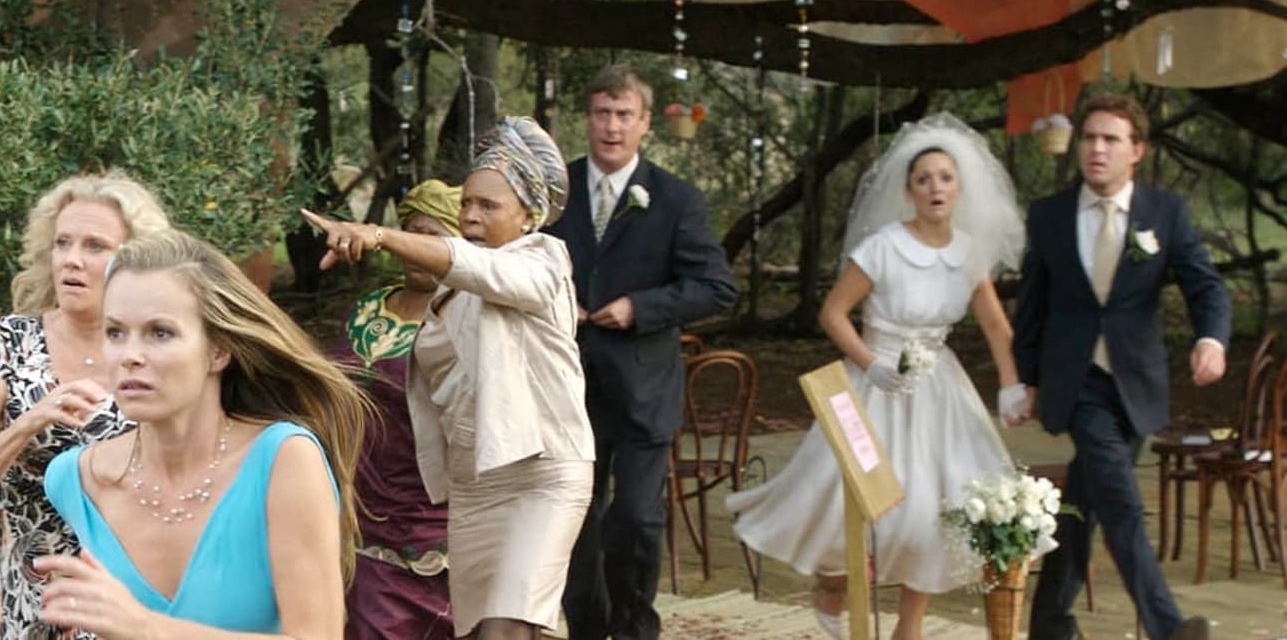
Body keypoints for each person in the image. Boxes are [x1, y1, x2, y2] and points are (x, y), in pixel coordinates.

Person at [724, 113, 1033, 640]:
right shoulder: (883, 247)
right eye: (923, 179)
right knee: (849, 501)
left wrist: (1010, 384)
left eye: (945, 178)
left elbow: (995, 326)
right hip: (874, 385)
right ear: (909, 192)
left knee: (937, 509)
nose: (935, 188)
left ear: (959, 190)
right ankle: (833, 583)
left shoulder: (968, 254)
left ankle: (908, 627)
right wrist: (873, 363)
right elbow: (833, 314)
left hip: (939, 392)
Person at [304, 115, 595, 640]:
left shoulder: (543, 263)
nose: (472, 215)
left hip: (542, 476)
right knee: (480, 628)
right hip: (475, 482)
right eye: (467, 204)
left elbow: (483, 270)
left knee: (505, 628)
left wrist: (379, 235)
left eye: (489, 206)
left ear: (529, 216)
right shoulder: (446, 294)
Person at [33, 230, 368, 638]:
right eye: (115, 332)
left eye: (160, 332)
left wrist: (146, 628)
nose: (129, 356)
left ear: (218, 350)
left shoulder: (283, 459)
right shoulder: (75, 480)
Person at [1017, 93, 1228, 640]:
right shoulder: (1049, 215)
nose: (1097, 149)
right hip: (1076, 383)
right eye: (1089, 138)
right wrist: (1024, 379)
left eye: (1110, 139)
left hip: (1135, 386)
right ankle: (1167, 627)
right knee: (1121, 502)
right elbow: (1032, 306)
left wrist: (1211, 339)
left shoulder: (1165, 214)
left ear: (1137, 150)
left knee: (1085, 501)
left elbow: (1205, 285)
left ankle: (1049, 623)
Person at [542, 64, 736, 640]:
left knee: (635, 518)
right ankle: (587, 628)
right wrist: (557, 303)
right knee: (574, 521)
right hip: (568, 388)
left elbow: (716, 287)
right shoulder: (555, 192)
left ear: (645, 122)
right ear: (587, 118)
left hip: (643, 390)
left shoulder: (676, 199)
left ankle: (633, 628)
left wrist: (640, 307)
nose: (612, 126)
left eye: (624, 115)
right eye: (602, 113)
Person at [0, 172, 171, 639]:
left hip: (135, 593)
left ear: (134, 260)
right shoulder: (12, 341)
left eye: (95, 246)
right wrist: (28, 423)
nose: (72, 259)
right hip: (33, 599)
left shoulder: (160, 349)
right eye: (62, 243)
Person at [332, 179, 463, 639]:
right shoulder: (370, 307)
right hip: (355, 500)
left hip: (426, 512)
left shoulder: (464, 318)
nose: (417, 250)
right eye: (412, 234)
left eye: (434, 239)